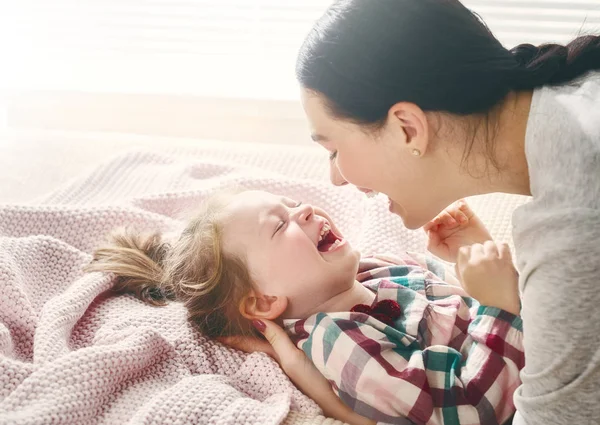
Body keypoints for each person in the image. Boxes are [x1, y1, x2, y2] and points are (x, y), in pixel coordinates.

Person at [248, 1, 596, 424]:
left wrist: (339, 407)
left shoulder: (575, 227)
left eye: (334, 149)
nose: (335, 179)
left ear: (407, 128)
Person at [87, 190, 523, 425]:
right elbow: (468, 412)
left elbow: (471, 300)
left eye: (293, 204)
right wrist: (500, 307)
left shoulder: (377, 270)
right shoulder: (337, 340)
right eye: (280, 224)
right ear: (263, 300)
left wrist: (469, 253)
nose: (306, 210)